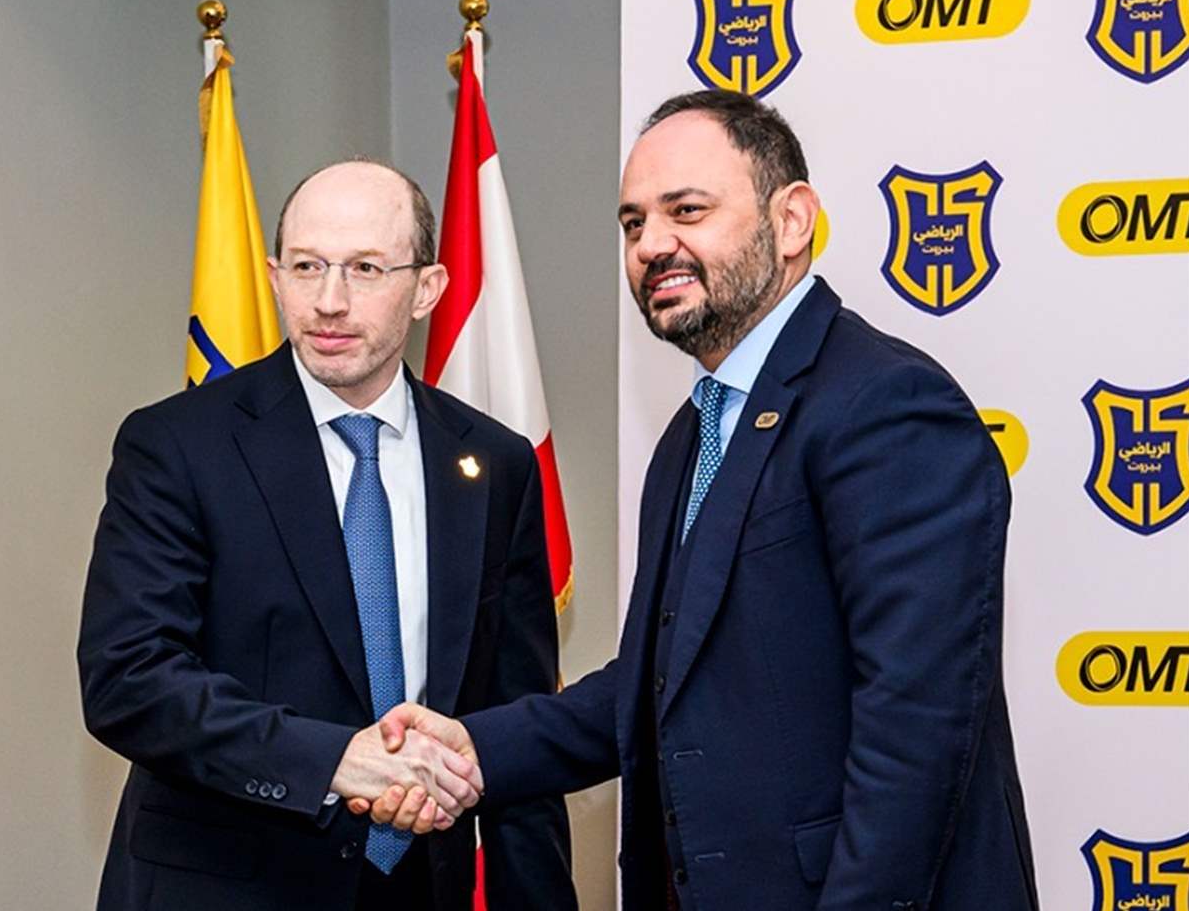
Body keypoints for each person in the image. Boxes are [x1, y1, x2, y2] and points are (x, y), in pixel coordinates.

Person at [363, 91, 1037, 910]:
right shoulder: (694, 431)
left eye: (687, 210)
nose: (652, 245)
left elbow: (916, 730)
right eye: (633, 223)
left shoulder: (887, 405)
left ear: (792, 221)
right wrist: (472, 746)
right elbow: (659, 681)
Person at [78, 158, 579, 911]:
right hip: (225, 888)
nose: (329, 302)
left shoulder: (494, 463)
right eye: (307, 267)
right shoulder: (179, 445)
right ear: (274, 277)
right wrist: (337, 760)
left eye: (366, 269)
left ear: (428, 289)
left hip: (421, 889)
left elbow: (515, 724)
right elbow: (129, 679)